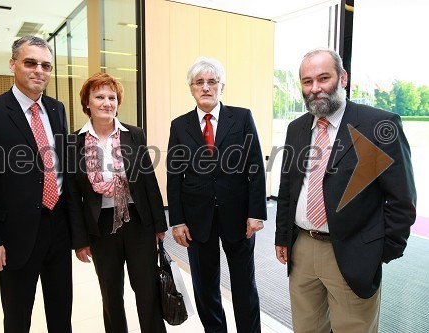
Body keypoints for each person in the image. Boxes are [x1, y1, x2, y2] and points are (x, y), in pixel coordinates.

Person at [274, 48, 417, 333]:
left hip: (353, 253)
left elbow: (402, 200)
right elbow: (289, 187)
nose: (315, 88)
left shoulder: (380, 125)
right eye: (307, 81)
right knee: (306, 328)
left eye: (323, 78)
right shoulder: (296, 128)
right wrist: (282, 237)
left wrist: (379, 251)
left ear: (343, 78)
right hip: (302, 250)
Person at [0, 36, 72, 332]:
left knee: (62, 309)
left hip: (59, 226)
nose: (39, 70)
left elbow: (63, 166)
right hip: (17, 233)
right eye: (30, 63)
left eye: (46, 65)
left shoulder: (56, 108)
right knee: (17, 314)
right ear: (13, 65)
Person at [167, 57, 267, 333]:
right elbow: (174, 176)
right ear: (191, 88)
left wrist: (256, 212)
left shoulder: (242, 117)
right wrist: (177, 220)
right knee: (204, 285)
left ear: (222, 86)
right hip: (197, 219)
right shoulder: (179, 125)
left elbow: (255, 167)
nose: (206, 87)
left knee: (244, 284)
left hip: (239, 217)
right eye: (200, 82)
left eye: (212, 82)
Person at [67, 72, 167, 333]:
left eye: (112, 97)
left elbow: (148, 182)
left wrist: (159, 224)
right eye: (99, 96)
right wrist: (79, 240)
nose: (106, 102)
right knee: (111, 294)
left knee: (147, 291)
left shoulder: (134, 134)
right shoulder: (73, 142)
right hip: (100, 229)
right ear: (87, 102)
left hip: (138, 222)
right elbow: (73, 198)